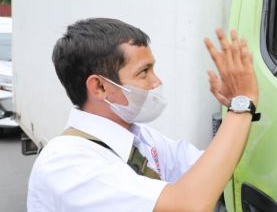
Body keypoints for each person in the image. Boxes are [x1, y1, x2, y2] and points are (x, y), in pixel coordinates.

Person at [28, 18, 259, 211]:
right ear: (99, 87)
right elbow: (188, 205)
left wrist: (233, 106)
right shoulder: (67, 164)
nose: (156, 81)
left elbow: (210, 168)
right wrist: (241, 106)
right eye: (143, 72)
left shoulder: (139, 137)